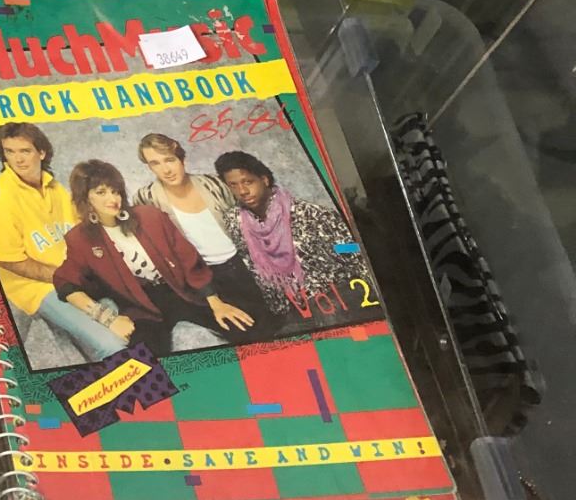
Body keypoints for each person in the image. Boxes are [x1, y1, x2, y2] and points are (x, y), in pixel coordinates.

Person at [54, 159, 255, 357]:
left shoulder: (149, 216)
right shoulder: (79, 239)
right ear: (85, 198)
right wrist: (108, 319)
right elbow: (65, 283)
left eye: (115, 191)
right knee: (142, 368)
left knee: (249, 328)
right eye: (101, 192)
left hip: (183, 293)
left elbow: (188, 259)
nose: (113, 198)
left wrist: (215, 302)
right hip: (142, 309)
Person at [0, 122, 135, 365]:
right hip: (35, 287)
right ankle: (138, 387)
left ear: (41, 152)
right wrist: (67, 277)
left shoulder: (55, 187)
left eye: (25, 151)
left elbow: (81, 231)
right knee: (111, 344)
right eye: (10, 151)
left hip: (71, 276)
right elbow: (9, 260)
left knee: (131, 326)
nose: (18, 159)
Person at [214, 150, 374, 319]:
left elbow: (353, 249)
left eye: (248, 182)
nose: (242, 191)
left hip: (336, 298)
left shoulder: (311, 214)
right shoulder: (235, 220)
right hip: (286, 308)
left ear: (264, 180)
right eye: (233, 185)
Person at [133, 132, 266, 329]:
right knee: (242, 331)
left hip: (245, 265)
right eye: (155, 163)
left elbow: (251, 218)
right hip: (201, 279)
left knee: (274, 320)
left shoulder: (214, 184)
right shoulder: (146, 199)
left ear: (182, 159)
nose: (166, 170)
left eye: (169, 160)